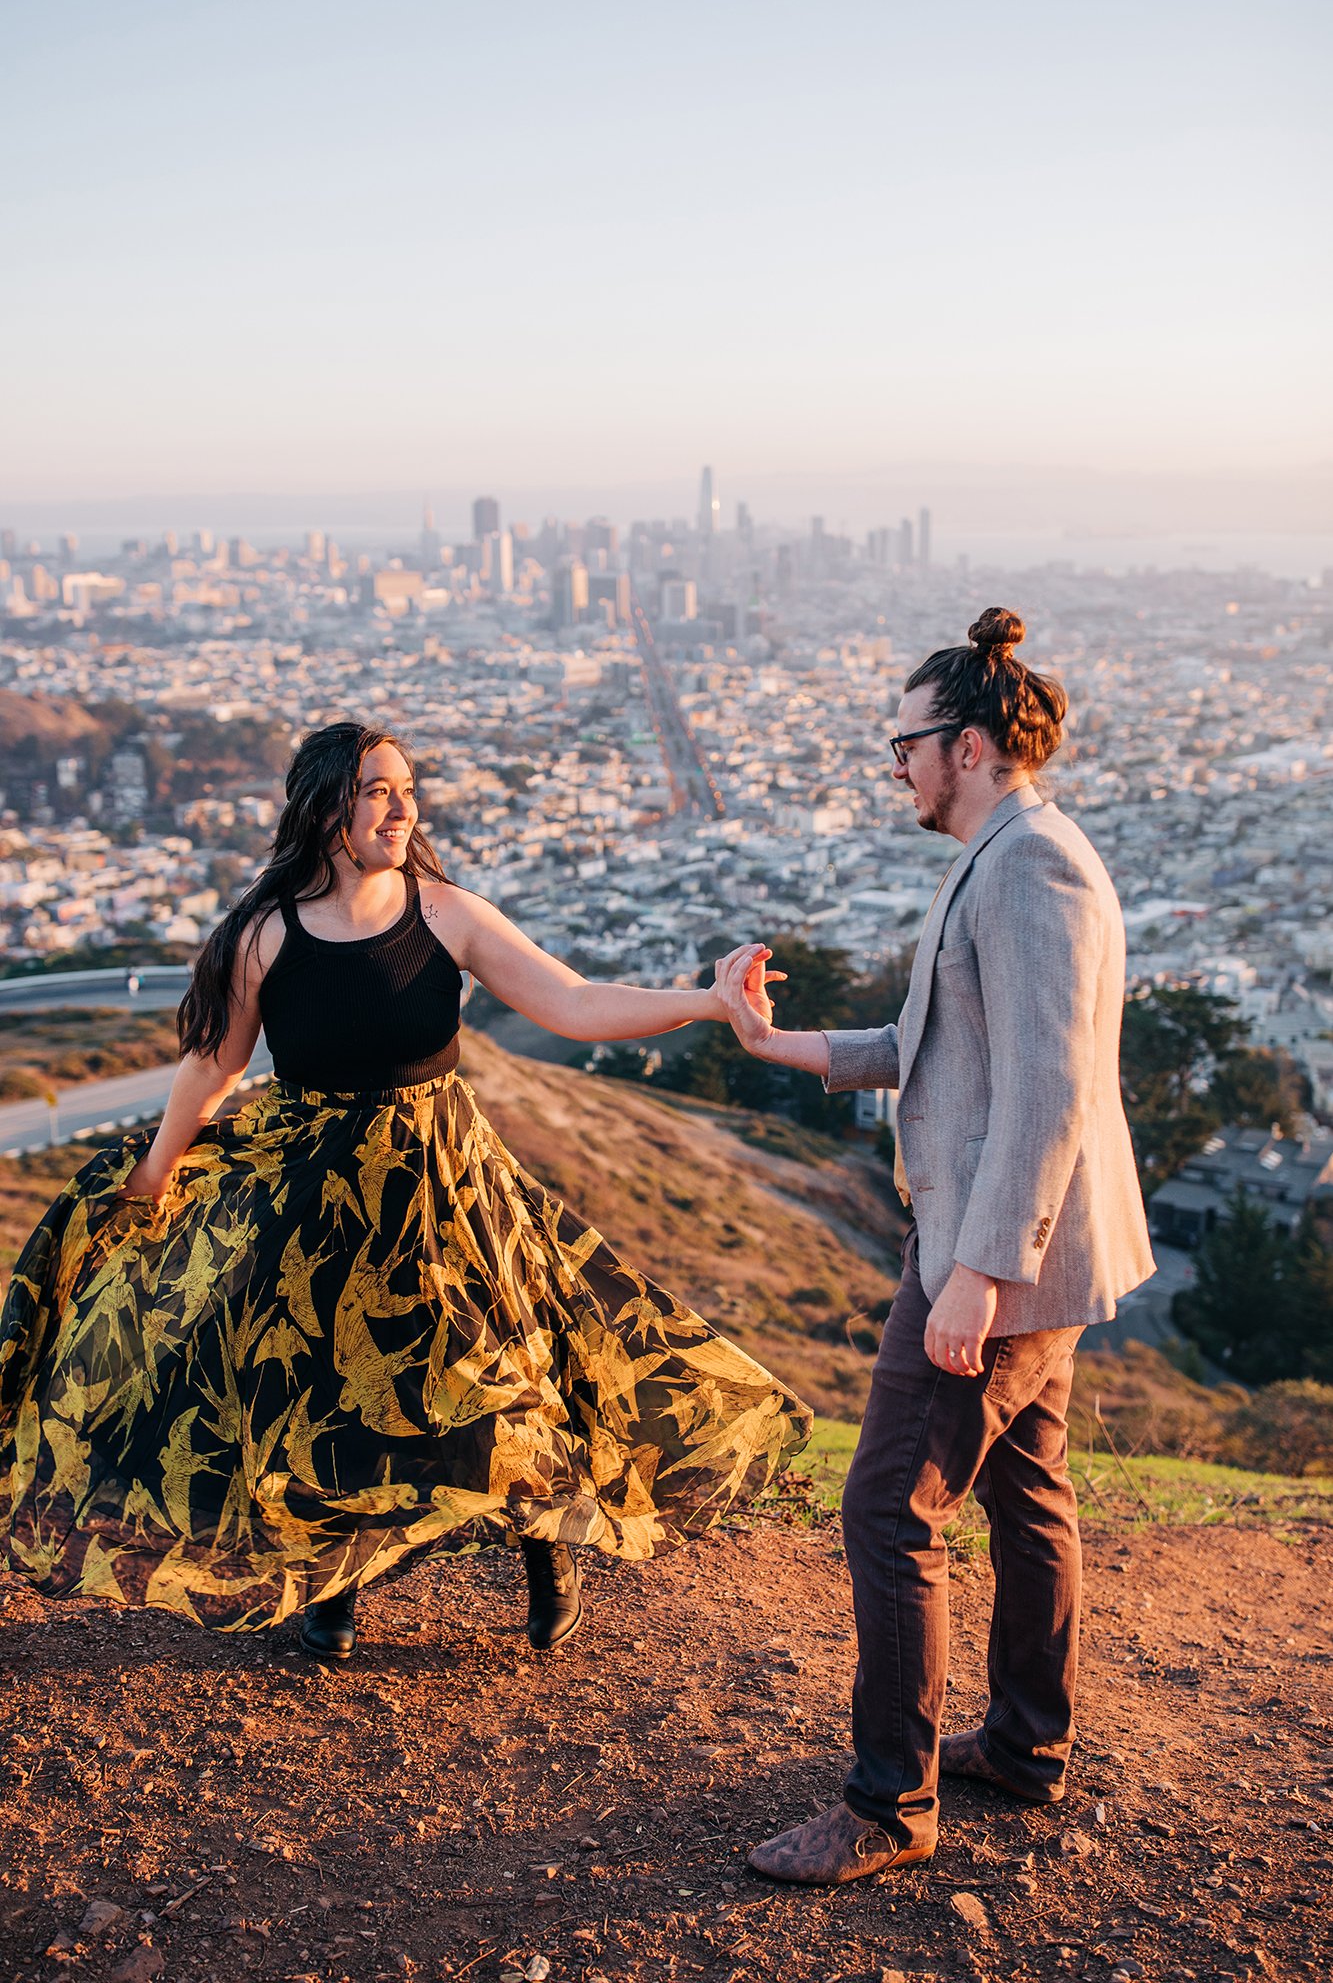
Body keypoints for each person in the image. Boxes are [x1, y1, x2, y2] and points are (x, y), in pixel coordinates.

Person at [0, 722, 810, 1661]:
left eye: (406, 788)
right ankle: (332, 1579)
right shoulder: (264, 935)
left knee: (495, 1368)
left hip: (447, 1185)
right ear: (325, 808)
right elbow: (210, 1069)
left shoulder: (446, 913)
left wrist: (709, 1002)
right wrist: (154, 1173)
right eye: (377, 790)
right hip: (318, 1203)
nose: (401, 806)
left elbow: (573, 1003)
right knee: (324, 1392)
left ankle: (548, 1546)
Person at [714, 609, 1154, 1884]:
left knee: (886, 1505)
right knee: (1025, 1489)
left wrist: (977, 1275)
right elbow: (927, 1052)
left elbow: (1045, 1091)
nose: (890, 763)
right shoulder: (999, 851)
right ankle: (1023, 1743)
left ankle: (885, 1804)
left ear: (964, 744)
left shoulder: (1031, 868)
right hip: (1013, 1243)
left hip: (998, 1252)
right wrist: (770, 1043)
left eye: (903, 741)